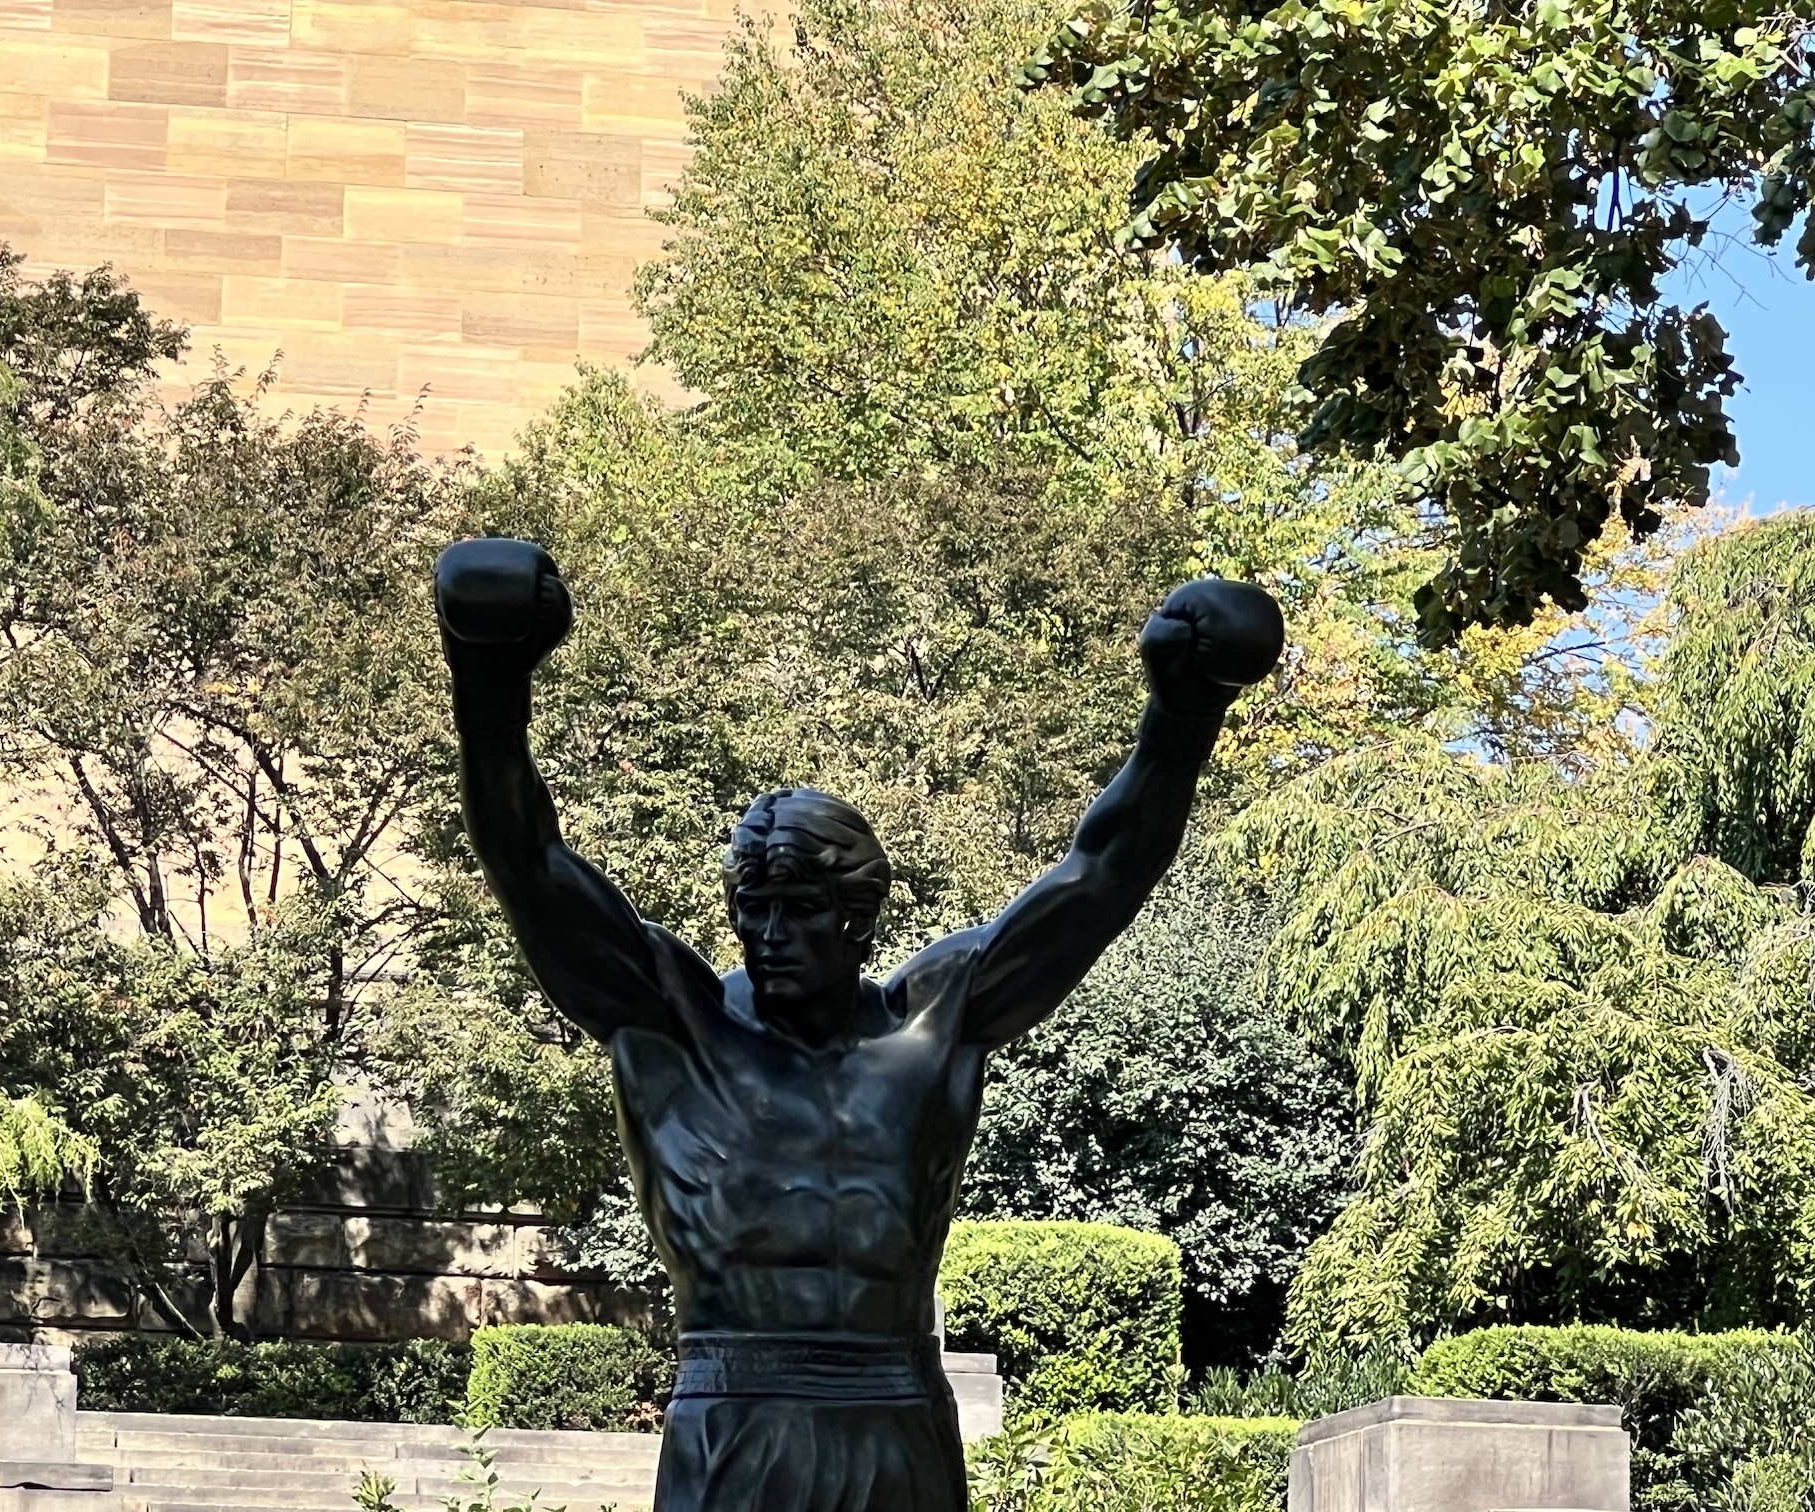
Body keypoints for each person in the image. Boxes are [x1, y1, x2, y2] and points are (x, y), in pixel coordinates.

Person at [434, 537, 1284, 1512]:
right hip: (732, 1410)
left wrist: (1185, 714)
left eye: (800, 908)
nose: (769, 934)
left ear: (860, 917)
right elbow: (528, 861)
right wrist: (488, 677)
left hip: (898, 1415)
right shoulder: (674, 1023)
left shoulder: (932, 1026)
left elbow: (1100, 877)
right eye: (754, 908)